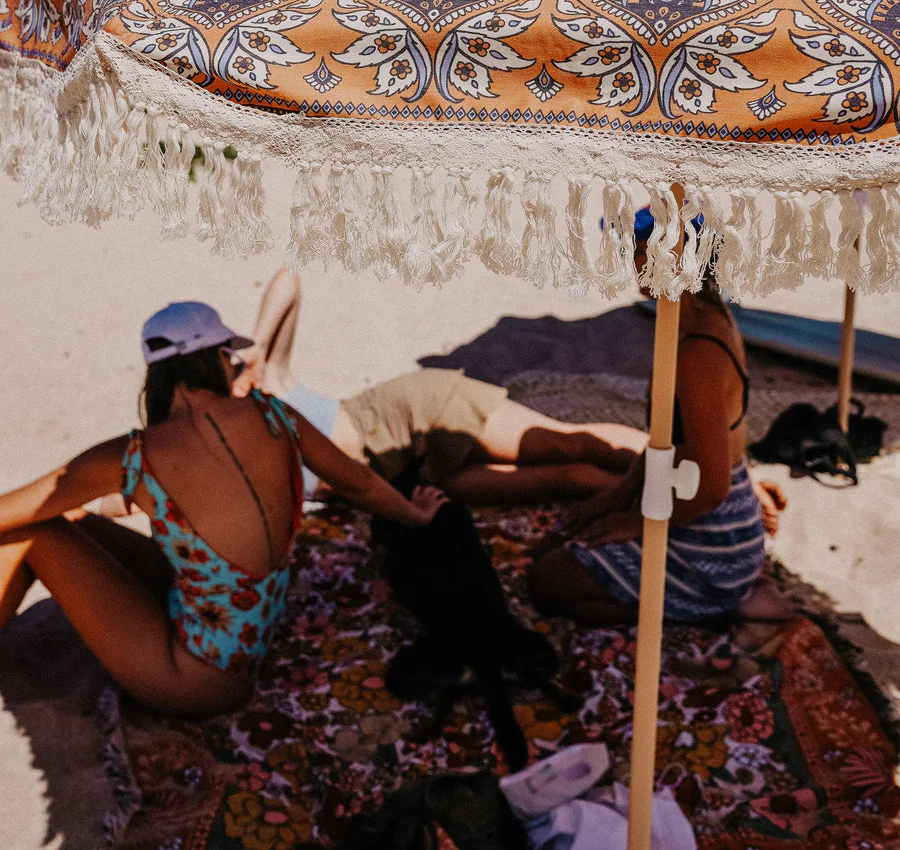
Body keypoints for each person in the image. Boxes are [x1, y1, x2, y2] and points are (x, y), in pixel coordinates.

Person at [0, 302, 446, 717]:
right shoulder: (276, 415)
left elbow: (11, 512)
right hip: (245, 644)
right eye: (229, 356)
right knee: (75, 520)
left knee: (34, 533)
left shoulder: (134, 456)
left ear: (156, 375)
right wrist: (416, 515)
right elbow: (360, 483)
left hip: (192, 678)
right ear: (215, 358)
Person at [527, 217, 789, 625]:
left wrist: (638, 522)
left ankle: (713, 612)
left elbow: (712, 489)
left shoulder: (698, 354)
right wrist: (619, 495)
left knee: (546, 582)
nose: (630, 260)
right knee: (551, 548)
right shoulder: (703, 318)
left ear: (672, 258)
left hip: (713, 537)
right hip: (693, 500)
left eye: (637, 249)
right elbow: (666, 437)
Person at [233, 269, 647, 504]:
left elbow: (288, 277)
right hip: (412, 483)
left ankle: (672, 463)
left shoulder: (260, 389)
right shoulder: (224, 457)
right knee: (570, 479)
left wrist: (257, 348)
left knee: (566, 443)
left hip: (411, 417)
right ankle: (665, 510)